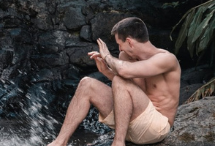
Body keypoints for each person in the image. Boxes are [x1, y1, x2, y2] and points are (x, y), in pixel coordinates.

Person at [47, 17, 180, 146]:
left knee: (120, 79)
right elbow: (134, 91)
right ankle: (59, 142)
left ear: (129, 42)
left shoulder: (166, 59)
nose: (120, 49)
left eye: (119, 44)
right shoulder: (126, 57)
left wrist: (107, 56)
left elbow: (123, 73)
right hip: (132, 122)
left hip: (155, 128)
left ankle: (118, 142)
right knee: (86, 84)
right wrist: (106, 71)